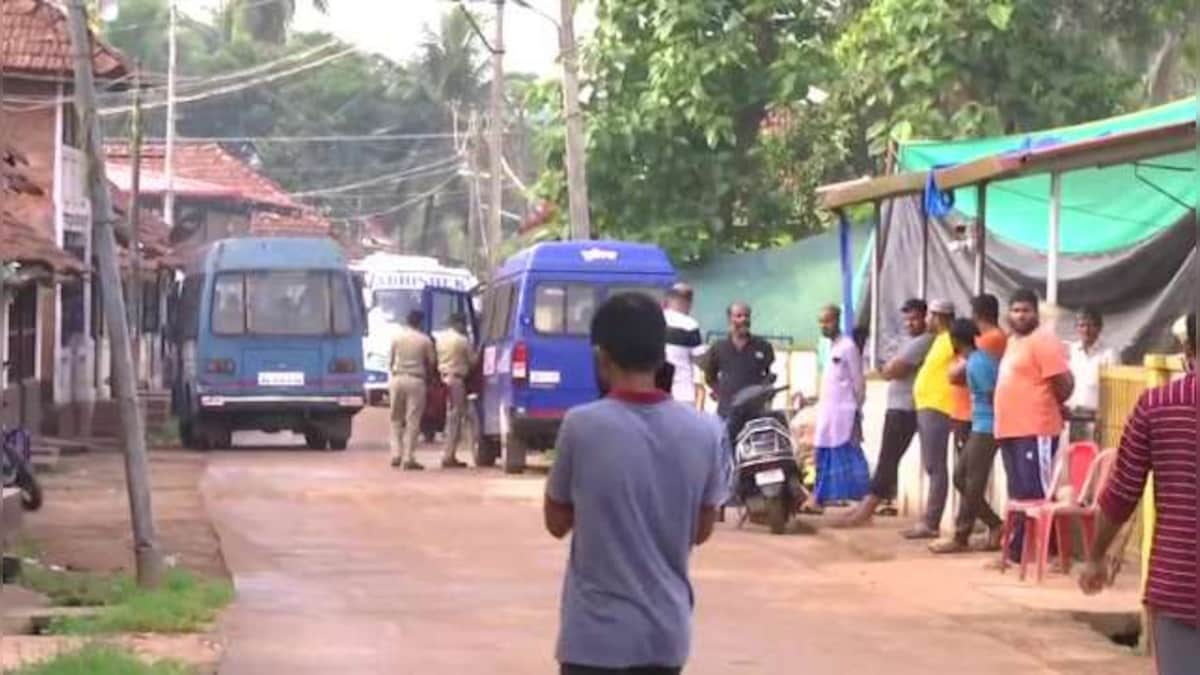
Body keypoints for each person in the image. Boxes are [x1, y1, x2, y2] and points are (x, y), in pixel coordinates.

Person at [544, 293, 726, 675]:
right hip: (665, 637)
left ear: (601, 357)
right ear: (662, 357)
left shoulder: (581, 425)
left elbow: (556, 522)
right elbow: (701, 530)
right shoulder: (705, 431)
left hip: (593, 638)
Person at [1080, 314, 1196, 673]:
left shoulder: (1158, 405)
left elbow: (1120, 494)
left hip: (1180, 584)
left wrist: (1096, 556)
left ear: (1188, 348)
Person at [993, 289, 1073, 561]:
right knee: (1018, 492)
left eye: (1026, 310)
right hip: (1010, 430)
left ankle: (1043, 550)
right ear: (1009, 314)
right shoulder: (1013, 341)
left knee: (1036, 492)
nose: (1020, 315)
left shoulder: (1043, 341)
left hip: (1035, 429)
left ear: (1035, 314)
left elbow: (1063, 384)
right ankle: (1019, 549)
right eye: (1016, 310)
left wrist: (1054, 404)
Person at [838, 299, 933, 527]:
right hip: (899, 405)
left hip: (907, 407)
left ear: (926, 318)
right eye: (907, 319)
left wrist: (889, 368)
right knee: (888, 458)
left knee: (889, 459)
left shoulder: (924, 341)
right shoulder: (909, 342)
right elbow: (889, 368)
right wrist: (888, 368)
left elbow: (892, 370)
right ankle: (866, 507)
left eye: (915, 318)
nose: (910, 323)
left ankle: (867, 510)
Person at [930, 319, 1003, 554]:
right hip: (980, 425)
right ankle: (993, 524)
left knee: (971, 482)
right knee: (962, 478)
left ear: (955, 341)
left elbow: (993, 395)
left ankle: (964, 535)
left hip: (987, 426)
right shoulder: (978, 360)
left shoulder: (977, 364)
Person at [903, 299, 958, 539]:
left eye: (931, 316)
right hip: (928, 406)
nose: (928, 321)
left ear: (939, 317)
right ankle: (929, 520)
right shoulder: (939, 340)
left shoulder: (952, 338)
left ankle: (931, 522)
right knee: (931, 464)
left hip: (939, 407)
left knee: (936, 466)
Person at [811, 306, 869, 509]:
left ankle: (860, 500)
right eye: (821, 322)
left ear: (837, 321)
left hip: (845, 413)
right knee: (823, 452)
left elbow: (858, 382)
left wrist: (855, 409)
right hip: (827, 412)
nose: (824, 326)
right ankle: (822, 498)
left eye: (827, 321)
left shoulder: (848, 347)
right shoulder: (828, 347)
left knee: (848, 453)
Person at [703, 302, 775, 418]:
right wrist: (720, 392)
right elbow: (710, 376)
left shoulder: (764, 346)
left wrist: (764, 393)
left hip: (755, 412)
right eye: (739, 316)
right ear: (729, 319)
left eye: (747, 316)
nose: (744, 319)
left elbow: (769, 375)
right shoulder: (718, 347)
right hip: (726, 412)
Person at [388, 309, 436, 470]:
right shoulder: (425, 340)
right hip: (416, 380)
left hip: (397, 378)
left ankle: (396, 454)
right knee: (412, 420)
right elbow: (432, 363)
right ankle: (409, 457)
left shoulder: (396, 337)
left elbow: (390, 361)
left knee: (395, 419)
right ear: (420, 322)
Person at [1065, 306, 1117, 441]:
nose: (1086, 330)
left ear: (1099, 328)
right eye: (1082, 325)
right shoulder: (1071, 351)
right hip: (1072, 416)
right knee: (1072, 457)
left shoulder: (1109, 353)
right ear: (1076, 328)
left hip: (1096, 418)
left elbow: (1113, 389)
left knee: (1092, 457)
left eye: (1091, 325)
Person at [433, 313, 474, 469]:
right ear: (459, 324)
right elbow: (473, 361)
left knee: (449, 416)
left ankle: (449, 454)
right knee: (455, 419)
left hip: (443, 379)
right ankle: (449, 456)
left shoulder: (440, 340)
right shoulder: (462, 341)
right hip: (456, 380)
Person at [663, 283, 707, 406]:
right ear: (688, 301)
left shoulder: (654, 320)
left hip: (659, 392)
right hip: (683, 393)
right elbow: (701, 360)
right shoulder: (689, 325)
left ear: (669, 298)